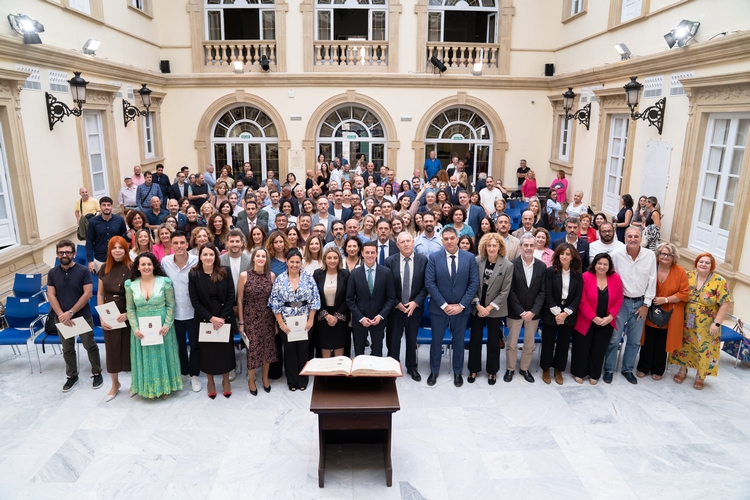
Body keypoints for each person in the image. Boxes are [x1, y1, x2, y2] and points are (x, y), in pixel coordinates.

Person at [425, 227, 479, 387]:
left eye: (452, 238)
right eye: (446, 239)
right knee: (436, 341)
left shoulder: (470, 258)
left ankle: (457, 372)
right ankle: (434, 371)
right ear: (442, 241)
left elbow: (474, 283)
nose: (449, 241)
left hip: (461, 309)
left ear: (457, 239)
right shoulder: (434, 258)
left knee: (459, 342)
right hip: (438, 309)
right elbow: (430, 283)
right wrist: (444, 305)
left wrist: (461, 305)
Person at [670, 253, 732, 390]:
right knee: (684, 343)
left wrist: (716, 323)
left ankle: (700, 375)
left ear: (712, 266)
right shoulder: (688, 276)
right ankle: (682, 369)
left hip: (707, 322)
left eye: (707, 263)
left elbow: (725, 304)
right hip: (686, 318)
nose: (703, 264)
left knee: (704, 348)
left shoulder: (719, 281)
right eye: (701, 262)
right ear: (696, 263)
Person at [125, 252, 183, 399]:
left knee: (162, 356)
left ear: (154, 266)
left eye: (149, 264)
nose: (146, 267)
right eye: (143, 264)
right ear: (138, 267)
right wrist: (135, 328)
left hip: (162, 326)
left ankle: (165, 388)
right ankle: (148, 388)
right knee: (146, 357)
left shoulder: (164, 282)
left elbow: (171, 305)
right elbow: (130, 308)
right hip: (141, 328)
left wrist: (167, 324)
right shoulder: (130, 285)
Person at [48, 239, 102, 393]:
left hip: (82, 316)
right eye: (61, 252)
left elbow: (88, 294)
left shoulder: (83, 270)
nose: (64, 255)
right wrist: (61, 315)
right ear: (57, 254)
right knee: (67, 349)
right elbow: (51, 295)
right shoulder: (52, 273)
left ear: (74, 253)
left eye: (67, 252)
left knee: (90, 346)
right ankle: (72, 376)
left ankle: (97, 373)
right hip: (62, 319)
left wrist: (71, 312)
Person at [603, 227, 656, 384]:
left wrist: (646, 304)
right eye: (630, 236)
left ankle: (627, 369)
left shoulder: (650, 255)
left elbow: (652, 280)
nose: (633, 239)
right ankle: (609, 369)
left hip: (640, 303)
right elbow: (608, 275)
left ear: (641, 238)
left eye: (636, 236)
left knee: (634, 341)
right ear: (625, 238)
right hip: (621, 302)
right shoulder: (616, 254)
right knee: (614, 339)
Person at [189, 243, 237, 399]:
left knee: (225, 351)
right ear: (200, 257)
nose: (208, 257)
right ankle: (210, 381)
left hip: (224, 319)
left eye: (211, 254)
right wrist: (211, 318)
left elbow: (231, 296)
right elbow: (195, 301)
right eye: (205, 254)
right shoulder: (194, 274)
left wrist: (221, 318)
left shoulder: (224, 271)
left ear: (215, 257)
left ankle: (225, 380)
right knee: (207, 352)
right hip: (205, 319)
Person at [636, 242, 690, 380]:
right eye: (663, 254)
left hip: (669, 313)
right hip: (649, 310)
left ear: (674, 257)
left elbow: (684, 293)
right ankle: (643, 367)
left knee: (662, 342)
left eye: (669, 255)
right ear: (658, 254)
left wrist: (665, 300)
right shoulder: (651, 267)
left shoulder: (680, 271)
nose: (665, 257)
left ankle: (658, 370)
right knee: (648, 341)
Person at [269, 248, 320, 391]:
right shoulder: (280, 279)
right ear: (287, 262)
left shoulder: (308, 278)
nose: (294, 265)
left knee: (303, 350)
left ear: (301, 263)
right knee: (290, 351)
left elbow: (315, 299)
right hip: (286, 321)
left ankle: (303, 380)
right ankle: (292, 381)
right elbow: (275, 303)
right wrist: (281, 324)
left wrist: (311, 320)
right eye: (292, 262)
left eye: (297, 262)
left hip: (305, 321)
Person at [571, 253, 624, 384]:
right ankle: (579, 372)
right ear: (594, 264)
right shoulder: (586, 276)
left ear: (609, 266)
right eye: (599, 263)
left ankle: (594, 374)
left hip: (606, 321)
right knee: (582, 348)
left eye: (605, 264)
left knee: (599, 349)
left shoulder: (615, 278)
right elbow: (582, 299)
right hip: (586, 320)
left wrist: (611, 316)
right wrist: (593, 317)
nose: (602, 266)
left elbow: (619, 299)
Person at [468, 233, 512, 385]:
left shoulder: (507, 265)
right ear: (484, 247)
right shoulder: (476, 261)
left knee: (494, 341)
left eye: (494, 245)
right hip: (477, 307)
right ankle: (473, 369)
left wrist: (489, 308)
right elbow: (471, 284)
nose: (491, 248)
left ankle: (492, 371)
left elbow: (505, 291)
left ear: (499, 247)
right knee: (475, 340)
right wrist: (478, 305)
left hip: (495, 309)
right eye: (489, 245)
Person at [161, 230, 202, 392]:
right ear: (171, 245)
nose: (179, 246)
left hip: (193, 312)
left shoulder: (196, 261)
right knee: (179, 345)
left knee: (195, 345)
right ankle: (184, 372)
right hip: (174, 313)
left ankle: (194, 375)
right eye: (176, 243)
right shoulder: (165, 262)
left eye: (182, 243)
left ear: (187, 244)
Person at [385, 232, 428, 381]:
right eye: (402, 242)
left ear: (413, 242)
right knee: (393, 339)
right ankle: (393, 367)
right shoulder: (390, 261)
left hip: (414, 308)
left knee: (411, 339)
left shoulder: (423, 260)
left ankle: (412, 367)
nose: (406, 244)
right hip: (395, 308)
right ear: (397, 245)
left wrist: (415, 302)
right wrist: (396, 303)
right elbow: (387, 285)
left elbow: (426, 285)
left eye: (408, 241)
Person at [505, 233, 546, 383]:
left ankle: (524, 368)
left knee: (529, 343)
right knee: (512, 343)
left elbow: (543, 292)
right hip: (515, 311)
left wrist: (533, 311)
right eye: (526, 245)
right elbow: (510, 291)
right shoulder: (511, 265)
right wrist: (521, 311)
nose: (528, 248)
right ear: (520, 246)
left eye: (531, 245)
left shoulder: (541, 266)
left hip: (533, 313)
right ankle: (510, 369)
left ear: (535, 247)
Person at [540, 243, 583, 385]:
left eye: (567, 254)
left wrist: (565, 313)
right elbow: (548, 293)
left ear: (572, 257)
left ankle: (558, 369)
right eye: (562, 254)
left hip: (568, 313)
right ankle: (546, 368)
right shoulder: (550, 271)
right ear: (558, 255)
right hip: (551, 311)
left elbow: (578, 296)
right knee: (548, 342)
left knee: (563, 344)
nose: (564, 256)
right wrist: (558, 313)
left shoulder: (577, 274)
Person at [237, 247, 278, 395]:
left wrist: (275, 323)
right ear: (253, 258)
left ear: (266, 259)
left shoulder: (271, 276)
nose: (261, 258)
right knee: (254, 350)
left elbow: (274, 300)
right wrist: (241, 322)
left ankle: (265, 378)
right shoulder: (244, 275)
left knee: (267, 349)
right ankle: (251, 380)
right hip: (251, 317)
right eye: (258, 256)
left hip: (268, 317)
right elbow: (240, 300)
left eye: (263, 256)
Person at [346, 241, 398, 357]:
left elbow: (391, 298)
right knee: (359, 354)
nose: (370, 255)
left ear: (377, 253)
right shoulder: (354, 273)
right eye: (367, 252)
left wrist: (380, 316)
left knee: (377, 353)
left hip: (378, 319)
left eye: (372, 252)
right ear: (362, 254)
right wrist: (361, 318)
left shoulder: (386, 272)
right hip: (360, 320)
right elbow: (349, 299)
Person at [96, 237, 132, 401]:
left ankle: (135, 383)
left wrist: (129, 313)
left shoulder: (132, 267)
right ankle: (115, 383)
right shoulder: (105, 268)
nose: (117, 251)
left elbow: (138, 292)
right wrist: (102, 316)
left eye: (121, 248)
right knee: (112, 349)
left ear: (126, 250)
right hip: (109, 311)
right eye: (114, 248)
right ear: (110, 250)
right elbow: (100, 293)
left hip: (127, 310)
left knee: (130, 348)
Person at [313, 247, 351, 357]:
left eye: (335, 258)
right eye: (329, 258)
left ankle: (338, 369)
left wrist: (336, 317)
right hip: (323, 316)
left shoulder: (345, 274)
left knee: (339, 346)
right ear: (325, 259)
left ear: (339, 259)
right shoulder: (318, 274)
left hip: (341, 316)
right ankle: (326, 369)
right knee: (325, 346)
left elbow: (348, 297)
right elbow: (315, 297)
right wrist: (326, 315)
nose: (332, 260)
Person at [86, 196, 127, 272]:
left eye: (108, 205)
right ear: (100, 207)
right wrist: (90, 260)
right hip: (100, 259)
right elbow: (89, 241)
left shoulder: (120, 220)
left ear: (112, 206)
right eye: (104, 205)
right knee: (100, 279)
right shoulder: (93, 222)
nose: (106, 207)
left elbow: (124, 240)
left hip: (117, 258)